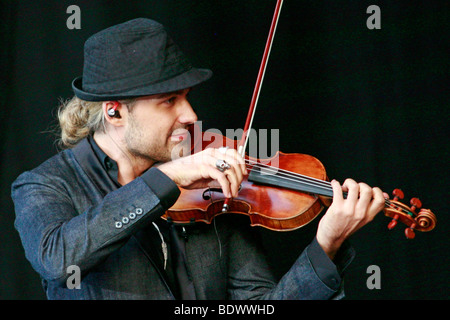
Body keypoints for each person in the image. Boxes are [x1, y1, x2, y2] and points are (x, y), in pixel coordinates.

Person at [11, 18, 386, 300]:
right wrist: (167, 179)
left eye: (187, 96)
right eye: (169, 101)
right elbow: (57, 259)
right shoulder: (45, 185)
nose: (190, 115)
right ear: (114, 112)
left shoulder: (214, 190)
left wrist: (326, 248)